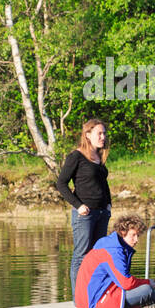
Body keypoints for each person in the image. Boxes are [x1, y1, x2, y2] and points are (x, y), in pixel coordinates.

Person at [56, 118, 112, 296]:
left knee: (96, 256)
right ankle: (78, 299)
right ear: (88, 135)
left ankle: (94, 295)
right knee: (81, 256)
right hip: (85, 215)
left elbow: (102, 183)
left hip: (102, 213)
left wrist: (108, 205)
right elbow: (61, 184)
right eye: (99, 133)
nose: (103, 137)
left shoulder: (99, 157)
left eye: (104, 133)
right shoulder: (76, 156)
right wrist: (78, 205)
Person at [74, 214, 155, 308]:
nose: (136, 240)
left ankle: (137, 307)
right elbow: (126, 283)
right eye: (133, 235)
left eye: (138, 235)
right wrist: (147, 282)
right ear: (122, 232)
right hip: (95, 302)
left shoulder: (108, 243)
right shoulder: (113, 251)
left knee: (154, 296)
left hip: (86, 300)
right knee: (148, 290)